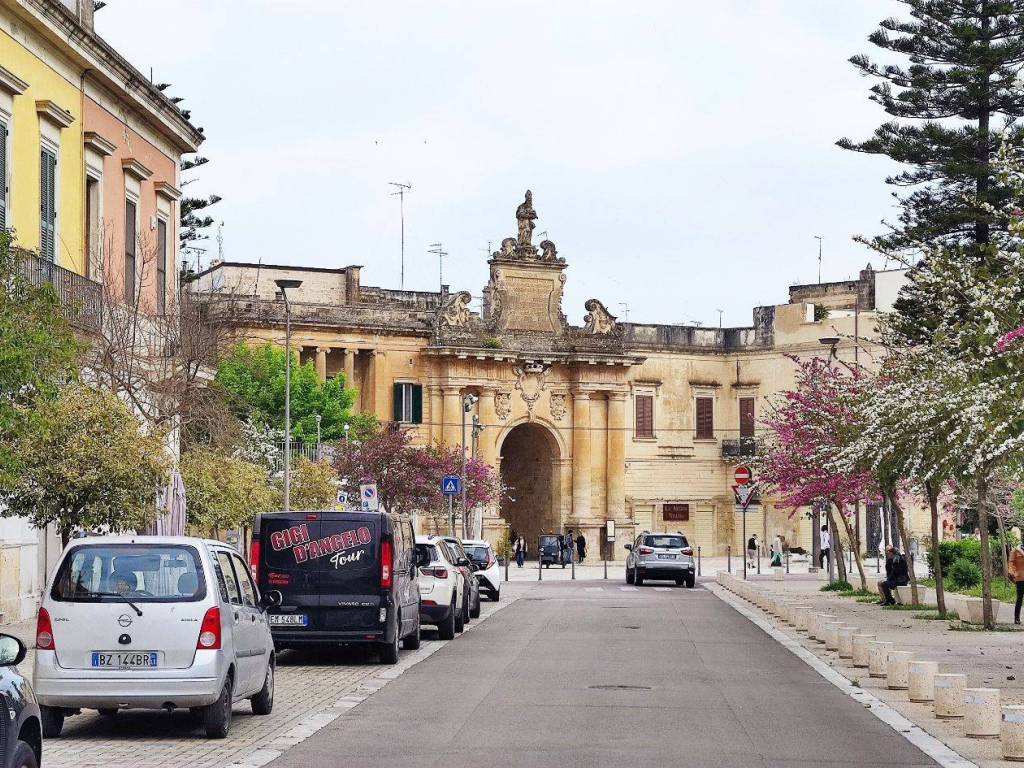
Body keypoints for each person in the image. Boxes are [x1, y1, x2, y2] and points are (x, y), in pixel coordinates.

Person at [1009, 540, 1024, 624]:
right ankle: (1017, 618)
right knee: (1020, 598)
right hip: (1020, 577)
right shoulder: (1016, 550)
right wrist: (1013, 572)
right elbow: (1011, 563)